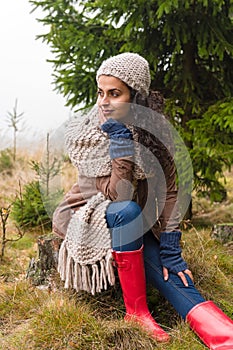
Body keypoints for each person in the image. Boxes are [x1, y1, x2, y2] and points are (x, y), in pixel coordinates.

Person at [53, 52, 233, 348]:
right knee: (127, 209)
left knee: (170, 273)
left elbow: (170, 190)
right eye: (101, 92)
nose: (104, 101)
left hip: (133, 225)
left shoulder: (155, 130)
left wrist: (170, 246)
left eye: (115, 93)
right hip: (89, 216)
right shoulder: (89, 136)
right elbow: (118, 194)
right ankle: (137, 313)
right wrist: (120, 143)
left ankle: (225, 338)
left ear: (135, 96)